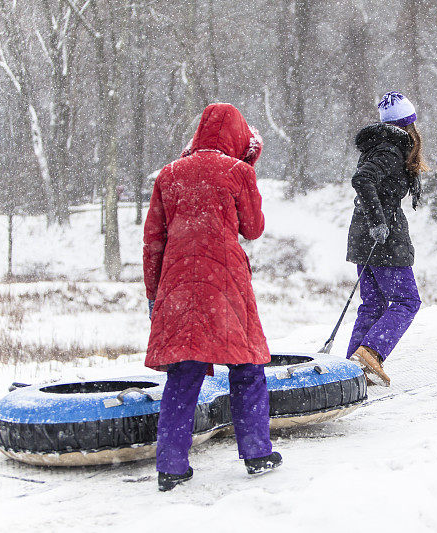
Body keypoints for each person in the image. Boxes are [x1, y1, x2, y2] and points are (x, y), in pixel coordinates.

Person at [143, 103, 281, 492]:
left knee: (183, 374)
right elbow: (252, 229)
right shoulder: (238, 171)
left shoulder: (169, 174)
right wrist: (247, 173)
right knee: (246, 366)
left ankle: (171, 466)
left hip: (178, 284)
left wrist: (154, 296)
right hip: (225, 283)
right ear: (236, 137)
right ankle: (256, 454)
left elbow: (153, 241)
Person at [346, 92, 428, 387]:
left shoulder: (380, 146)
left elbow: (368, 181)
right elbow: (362, 180)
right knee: (407, 300)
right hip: (384, 236)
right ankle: (371, 353)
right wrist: (379, 221)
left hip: (364, 234)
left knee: (373, 304)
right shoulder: (391, 149)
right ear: (409, 125)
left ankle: (352, 372)